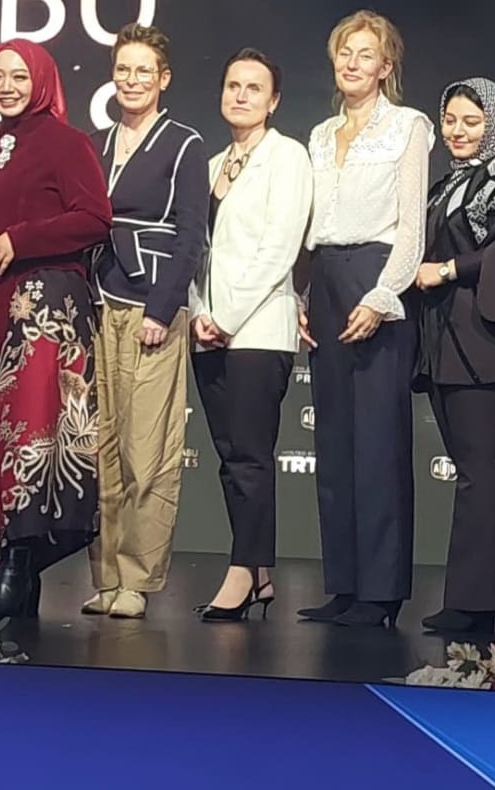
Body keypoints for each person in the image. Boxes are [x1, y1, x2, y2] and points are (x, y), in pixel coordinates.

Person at [0, 38, 112, 620]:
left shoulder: (68, 143)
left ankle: (20, 565)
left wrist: (22, 240)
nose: (7, 86)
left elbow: (94, 218)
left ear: (41, 81)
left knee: (32, 446)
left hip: (43, 319)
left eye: (19, 76)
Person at [298, 9, 430, 629]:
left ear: (386, 66)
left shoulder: (408, 127)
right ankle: (345, 584)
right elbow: (310, 228)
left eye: (365, 53)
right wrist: (301, 297)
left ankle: (382, 592)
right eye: (344, 51)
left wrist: (382, 297)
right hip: (324, 279)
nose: (353, 62)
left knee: (377, 443)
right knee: (334, 443)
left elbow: (412, 228)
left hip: (378, 279)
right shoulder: (320, 135)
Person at [84, 23, 207, 620]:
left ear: (163, 79)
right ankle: (106, 576)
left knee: (147, 449)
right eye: (122, 69)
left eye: (143, 71)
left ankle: (138, 577)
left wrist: (163, 308)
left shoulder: (184, 144)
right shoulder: (97, 143)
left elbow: (190, 237)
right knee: (103, 447)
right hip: (101, 302)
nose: (131, 80)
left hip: (150, 307)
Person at [412, 78, 495, 635]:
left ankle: (473, 603)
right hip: (445, 342)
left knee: (479, 472)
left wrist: (448, 270)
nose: (458, 131)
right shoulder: (447, 184)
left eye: (472, 121)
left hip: (485, 342)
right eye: (451, 121)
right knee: (476, 471)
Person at [189, 49, 312, 622]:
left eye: (254, 88)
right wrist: (197, 313)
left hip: (258, 329)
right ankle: (257, 570)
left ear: (274, 100)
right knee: (227, 455)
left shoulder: (287, 158)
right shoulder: (210, 163)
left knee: (251, 457)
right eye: (233, 85)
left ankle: (243, 571)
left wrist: (229, 316)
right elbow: (194, 251)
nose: (241, 95)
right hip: (206, 328)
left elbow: (279, 249)